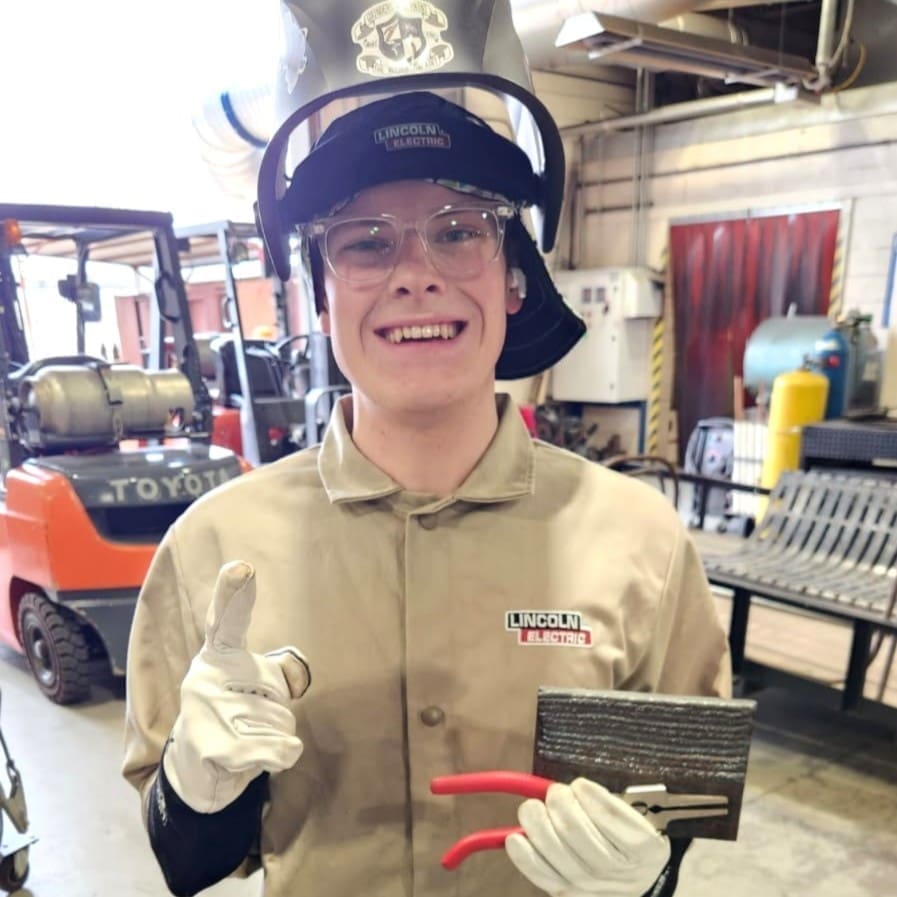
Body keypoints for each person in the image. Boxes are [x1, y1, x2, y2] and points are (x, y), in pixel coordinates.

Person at [122, 90, 731, 897]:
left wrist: (647, 877)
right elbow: (184, 862)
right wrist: (197, 792)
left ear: (515, 279)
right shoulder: (215, 545)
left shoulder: (637, 539)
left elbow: (675, 812)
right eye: (365, 244)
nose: (414, 276)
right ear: (321, 295)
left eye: (457, 232)